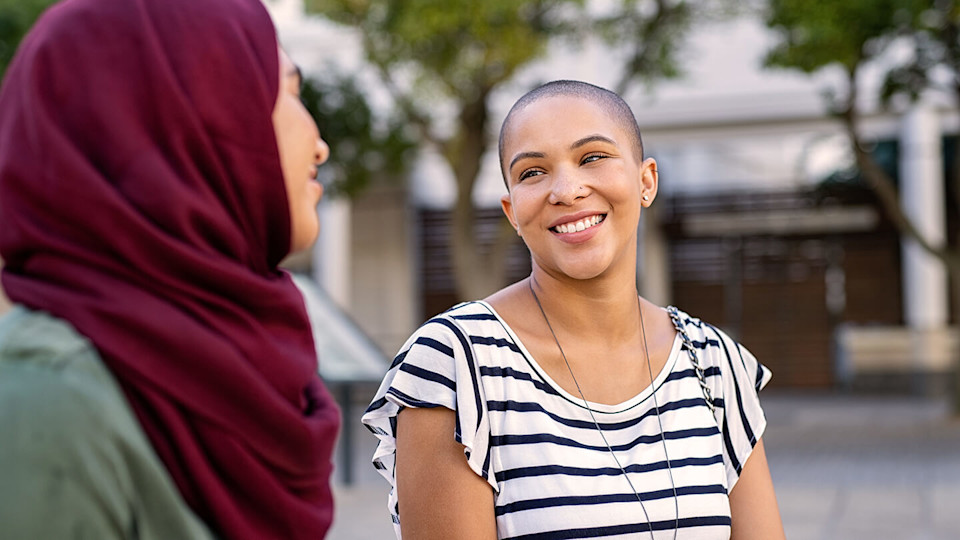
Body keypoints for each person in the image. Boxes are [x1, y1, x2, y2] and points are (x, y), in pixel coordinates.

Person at [362, 80, 786, 539]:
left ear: (646, 181)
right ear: (511, 211)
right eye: (531, 173)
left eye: (593, 157)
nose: (566, 189)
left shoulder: (714, 362)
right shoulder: (455, 364)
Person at [0, 0, 340, 538]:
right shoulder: (41, 400)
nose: (320, 145)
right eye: (290, 92)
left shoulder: (263, 366)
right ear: (197, 115)